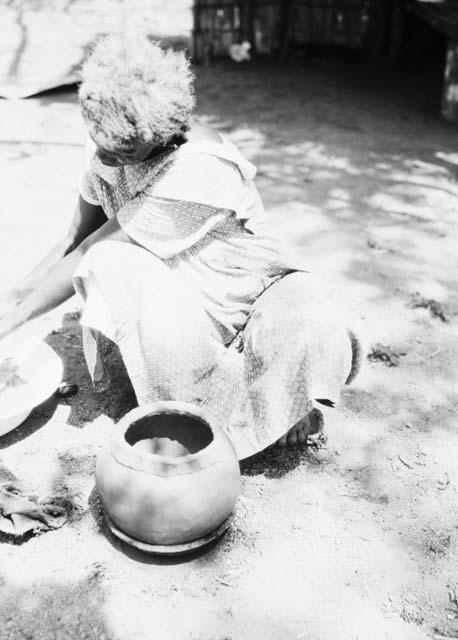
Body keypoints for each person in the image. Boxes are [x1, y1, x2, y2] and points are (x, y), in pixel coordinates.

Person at [0, 34, 366, 460]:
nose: (105, 155)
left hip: (248, 303)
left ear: (162, 137)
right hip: (189, 302)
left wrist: (12, 321)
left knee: (312, 319)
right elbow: (73, 238)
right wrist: (11, 301)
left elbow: (88, 253)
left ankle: (282, 401)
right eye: (99, 141)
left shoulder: (197, 172)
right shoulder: (112, 137)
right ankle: (240, 396)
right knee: (112, 265)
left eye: (123, 152)